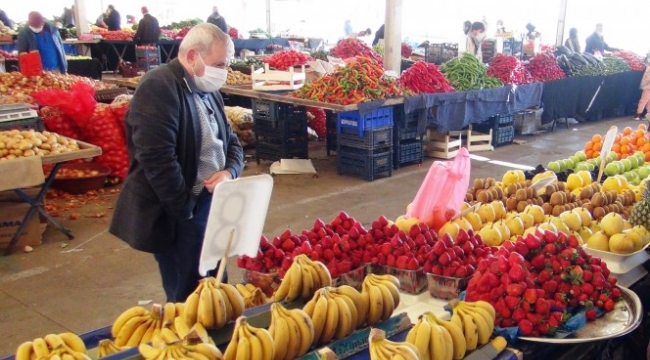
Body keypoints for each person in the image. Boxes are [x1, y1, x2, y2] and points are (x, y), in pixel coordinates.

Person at [109, 23, 244, 303]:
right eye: (219, 64)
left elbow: (232, 143)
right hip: (181, 211)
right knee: (188, 296)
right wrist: (185, 212)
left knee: (218, 288)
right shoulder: (159, 87)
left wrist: (229, 172)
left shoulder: (209, 90)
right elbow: (157, 160)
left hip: (212, 207)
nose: (224, 71)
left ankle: (222, 340)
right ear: (193, 56)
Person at [633, 52, 650, 121]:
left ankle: (648, 114)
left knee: (648, 101)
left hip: (648, 86)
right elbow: (647, 78)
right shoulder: (649, 68)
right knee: (644, 100)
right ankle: (638, 114)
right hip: (647, 86)